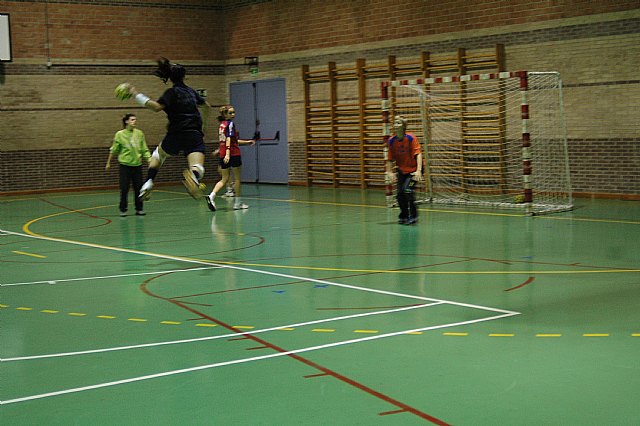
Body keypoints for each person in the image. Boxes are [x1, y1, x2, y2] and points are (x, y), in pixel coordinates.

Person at [119, 57, 211, 202]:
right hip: (194, 133)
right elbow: (207, 107)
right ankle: (194, 176)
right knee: (197, 165)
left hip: (176, 133)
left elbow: (156, 107)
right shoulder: (192, 92)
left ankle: (149, 182)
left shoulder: (171, 93)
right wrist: (204, 125)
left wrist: (135, 94)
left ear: (170, 77)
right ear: (184, 76)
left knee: (158, 155)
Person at [206, 105, 255, 211]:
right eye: (230, 113)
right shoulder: (230, 124)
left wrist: (247, 142)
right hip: (233, 154)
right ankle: (238, 203)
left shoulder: (221, 125)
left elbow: (233, 140)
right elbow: (228, 139)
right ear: (225, 114)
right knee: (237, 179)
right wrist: (228, 153)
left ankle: (211, 195)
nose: (233, 115)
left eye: (234, 112)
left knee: (224, 179)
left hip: (223, 153)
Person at [105, 113, 151, 216]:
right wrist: (108, 162)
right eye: (132, 120)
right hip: (125, 166)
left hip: (137, 165)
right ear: (126, 121)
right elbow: (114, 149)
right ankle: (123, 209)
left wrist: (149, 160)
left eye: (135, 119)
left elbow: (144, 149)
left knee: (138, 188)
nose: (135, 121)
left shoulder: (139, 133)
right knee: (124, 188)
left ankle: (139, 208)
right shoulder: (120, 134)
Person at [385, 115, 423, 225]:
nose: (396, 125)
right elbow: (390, 159)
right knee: (400, 194)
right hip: (402, 171)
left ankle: (413, 216)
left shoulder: (411, 138)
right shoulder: (391, 141)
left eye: (398, 123)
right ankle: (404, 215)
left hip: (414, 170)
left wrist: (419, 170)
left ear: (404, 126)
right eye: (395, 123)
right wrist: (389, 172)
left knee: (408, 190)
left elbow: (418, 154)